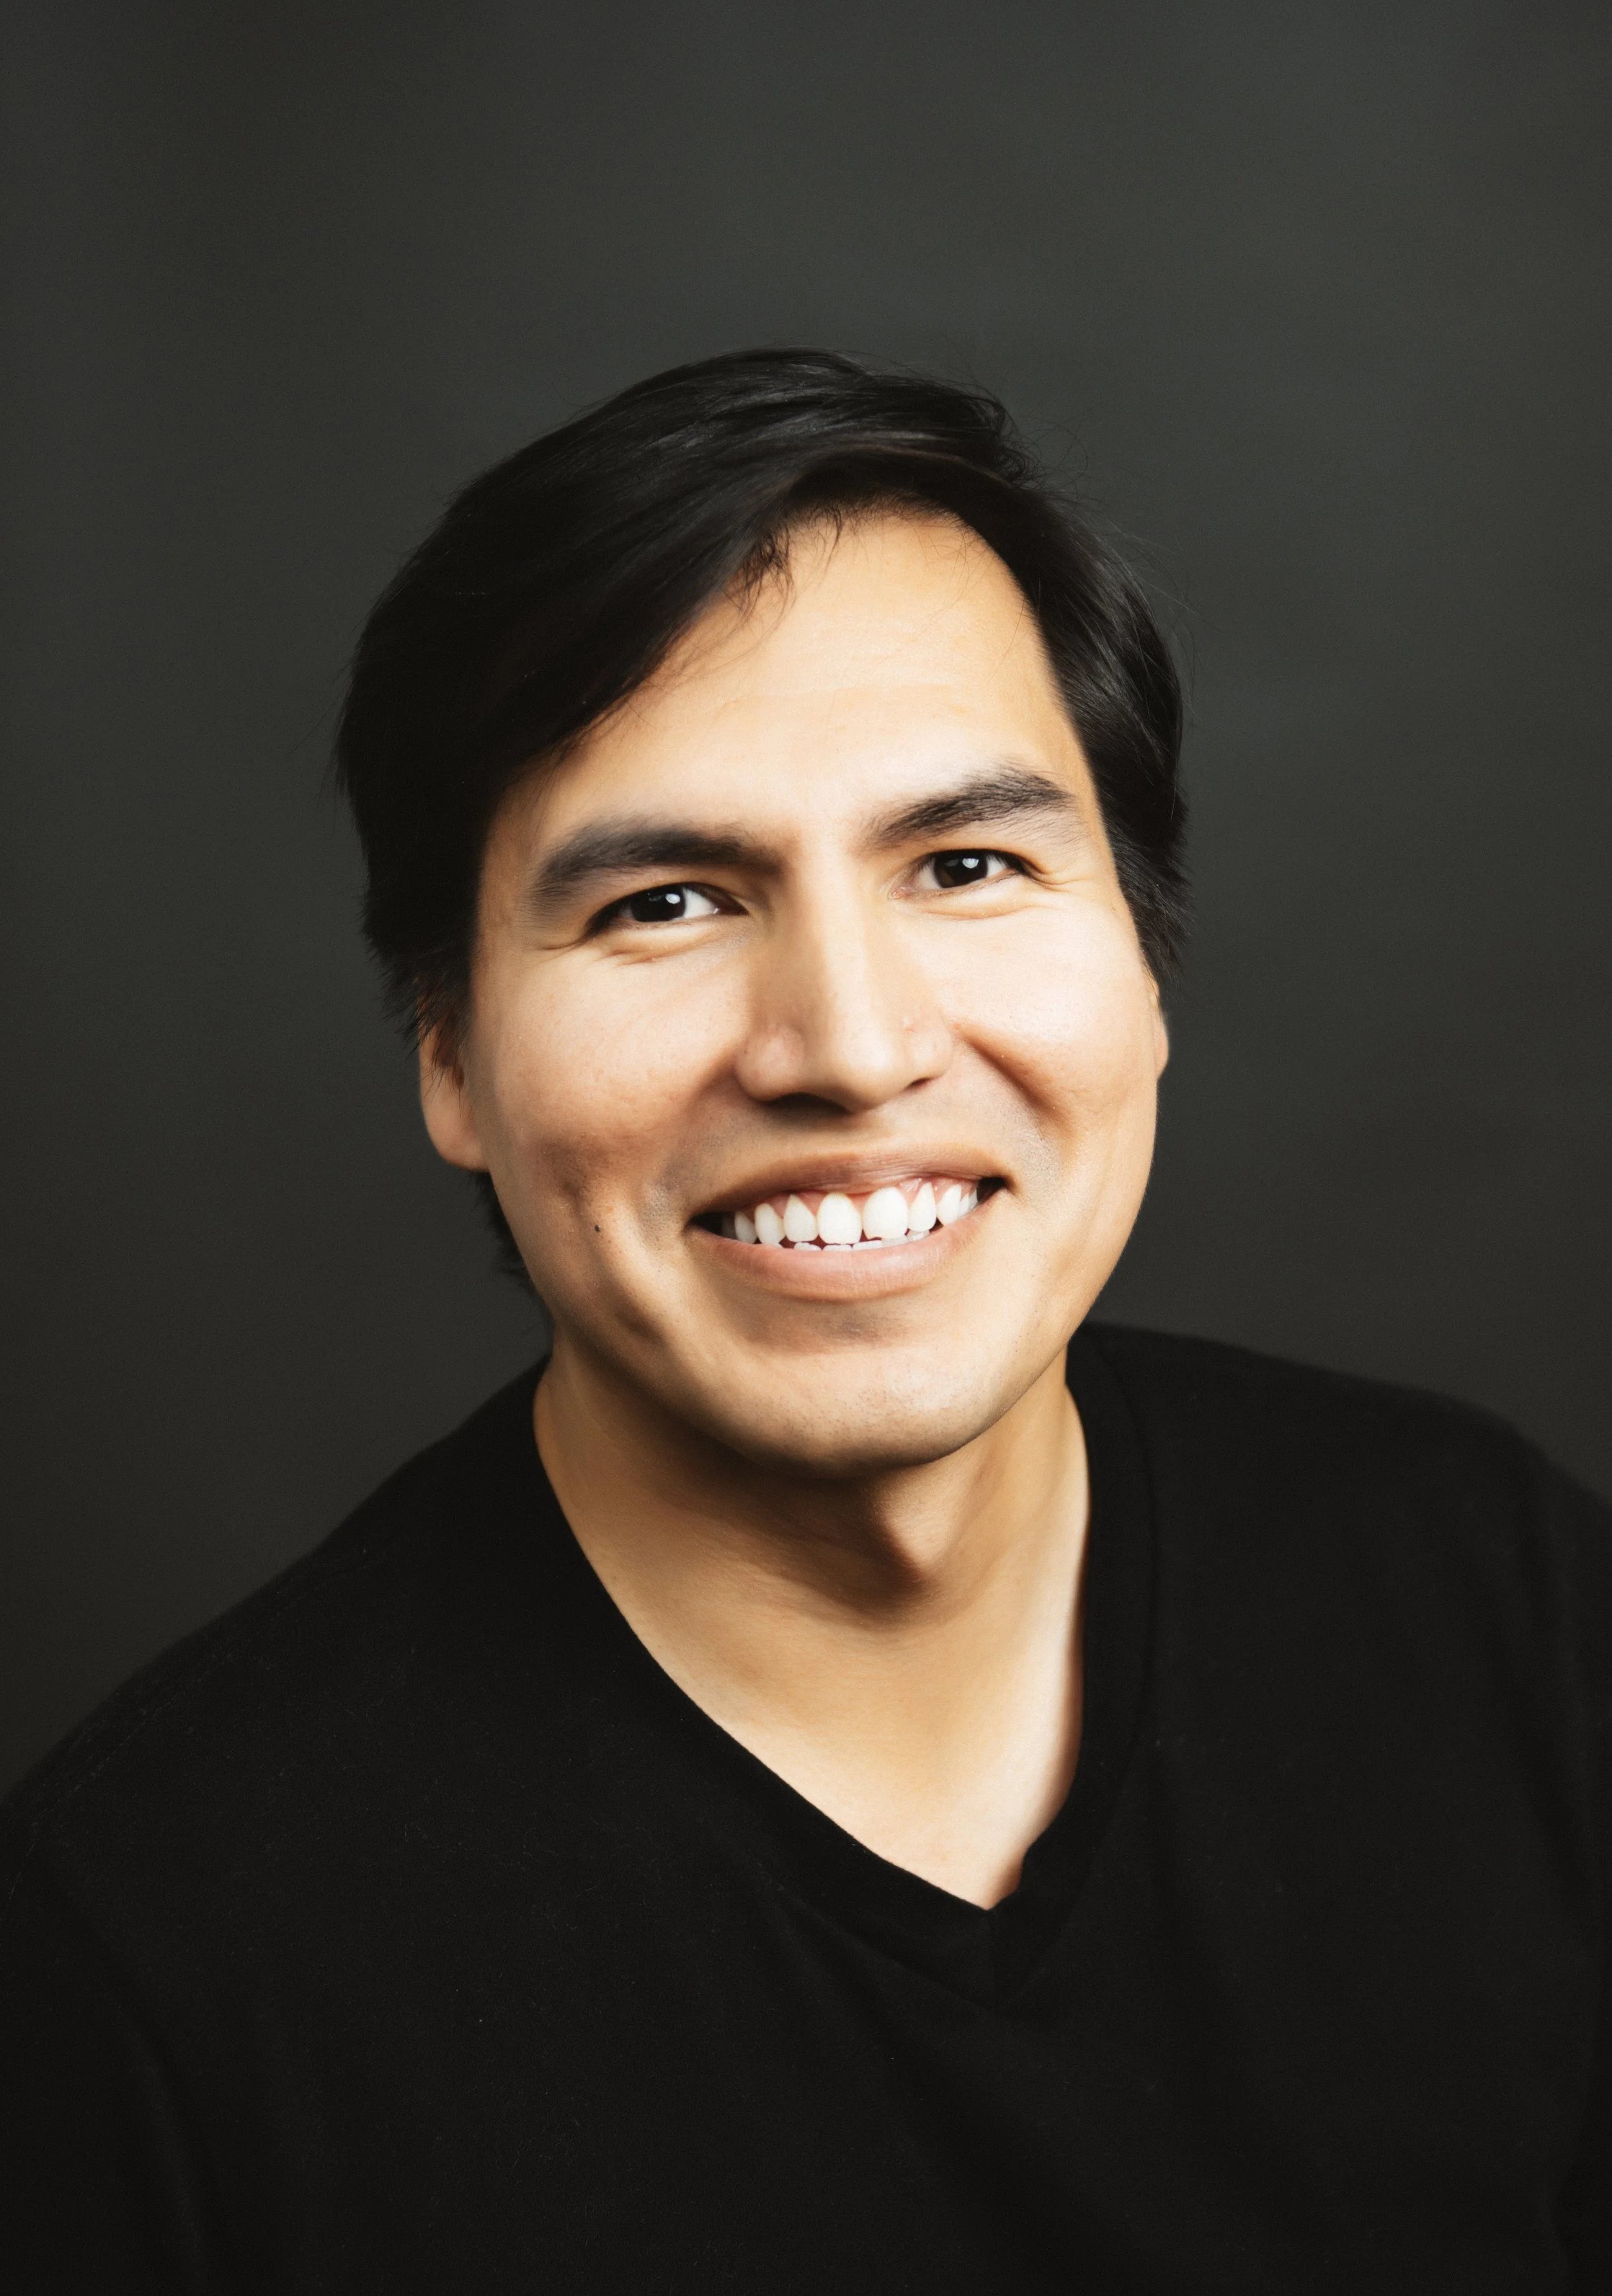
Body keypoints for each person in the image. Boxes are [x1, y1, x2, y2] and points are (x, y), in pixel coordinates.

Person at [1, 349, 1607, 2291]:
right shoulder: (149, 1966)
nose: (850, 1048)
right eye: (665, 902)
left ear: (1144, 958)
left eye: (965, 865)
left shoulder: (1488, 1594)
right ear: (446, 1051)